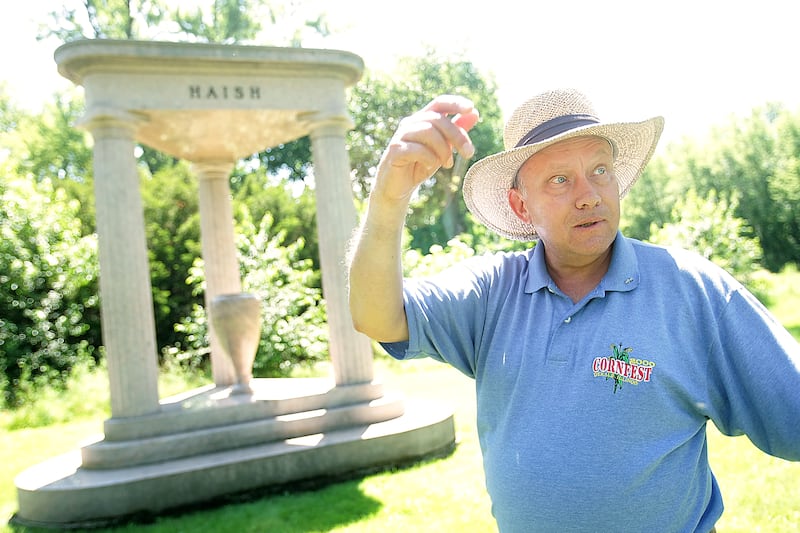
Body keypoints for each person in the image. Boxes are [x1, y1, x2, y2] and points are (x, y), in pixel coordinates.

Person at [347, 88, 800, 532]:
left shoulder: (691, 290)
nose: (589, 195)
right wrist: (387, 199)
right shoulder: (491, 293)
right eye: (560, 180)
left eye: (600, 170)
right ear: (521, 205)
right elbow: (377, 316)